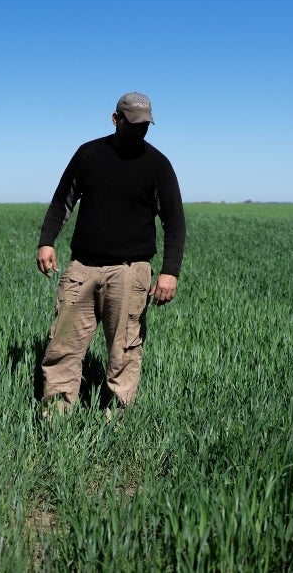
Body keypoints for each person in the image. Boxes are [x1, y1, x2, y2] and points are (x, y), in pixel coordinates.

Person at [36, 92, 186, 417]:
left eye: (145, 126)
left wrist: (169, 271)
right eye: (132, 125)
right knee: (63, 347)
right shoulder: (88, 154)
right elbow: (62, 200)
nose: (139, 132)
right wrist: (47, 241)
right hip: (82, 268)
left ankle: (117, 426)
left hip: (130, 272)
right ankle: (56, 422)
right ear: (115, 119)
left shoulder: (157, 165)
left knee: (125, 352)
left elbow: (175, 222)